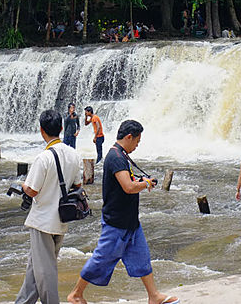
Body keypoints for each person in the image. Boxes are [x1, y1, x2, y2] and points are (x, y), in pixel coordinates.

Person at [67, 120, 178, 304]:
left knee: (142, 257)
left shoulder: (121, 155)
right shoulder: (116, 157)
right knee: (100, 259)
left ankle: (154, 296)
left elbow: (128, 180)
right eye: (137, 141)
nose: (137, 145)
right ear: (129, 137)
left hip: (130, 222)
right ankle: (76, 294)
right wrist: (146, 183)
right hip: (116, 222)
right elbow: (128, 186)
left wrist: (141, 180)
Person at [15, 110, 82, 304]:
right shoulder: (74, 155)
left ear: (41, 131)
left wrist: (23, 186)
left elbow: (32, 190)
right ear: (62, 128)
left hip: (43, 220)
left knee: (45, 271)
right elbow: (78, 185)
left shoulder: (43, 158)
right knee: (36, 268)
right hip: (61, 219)